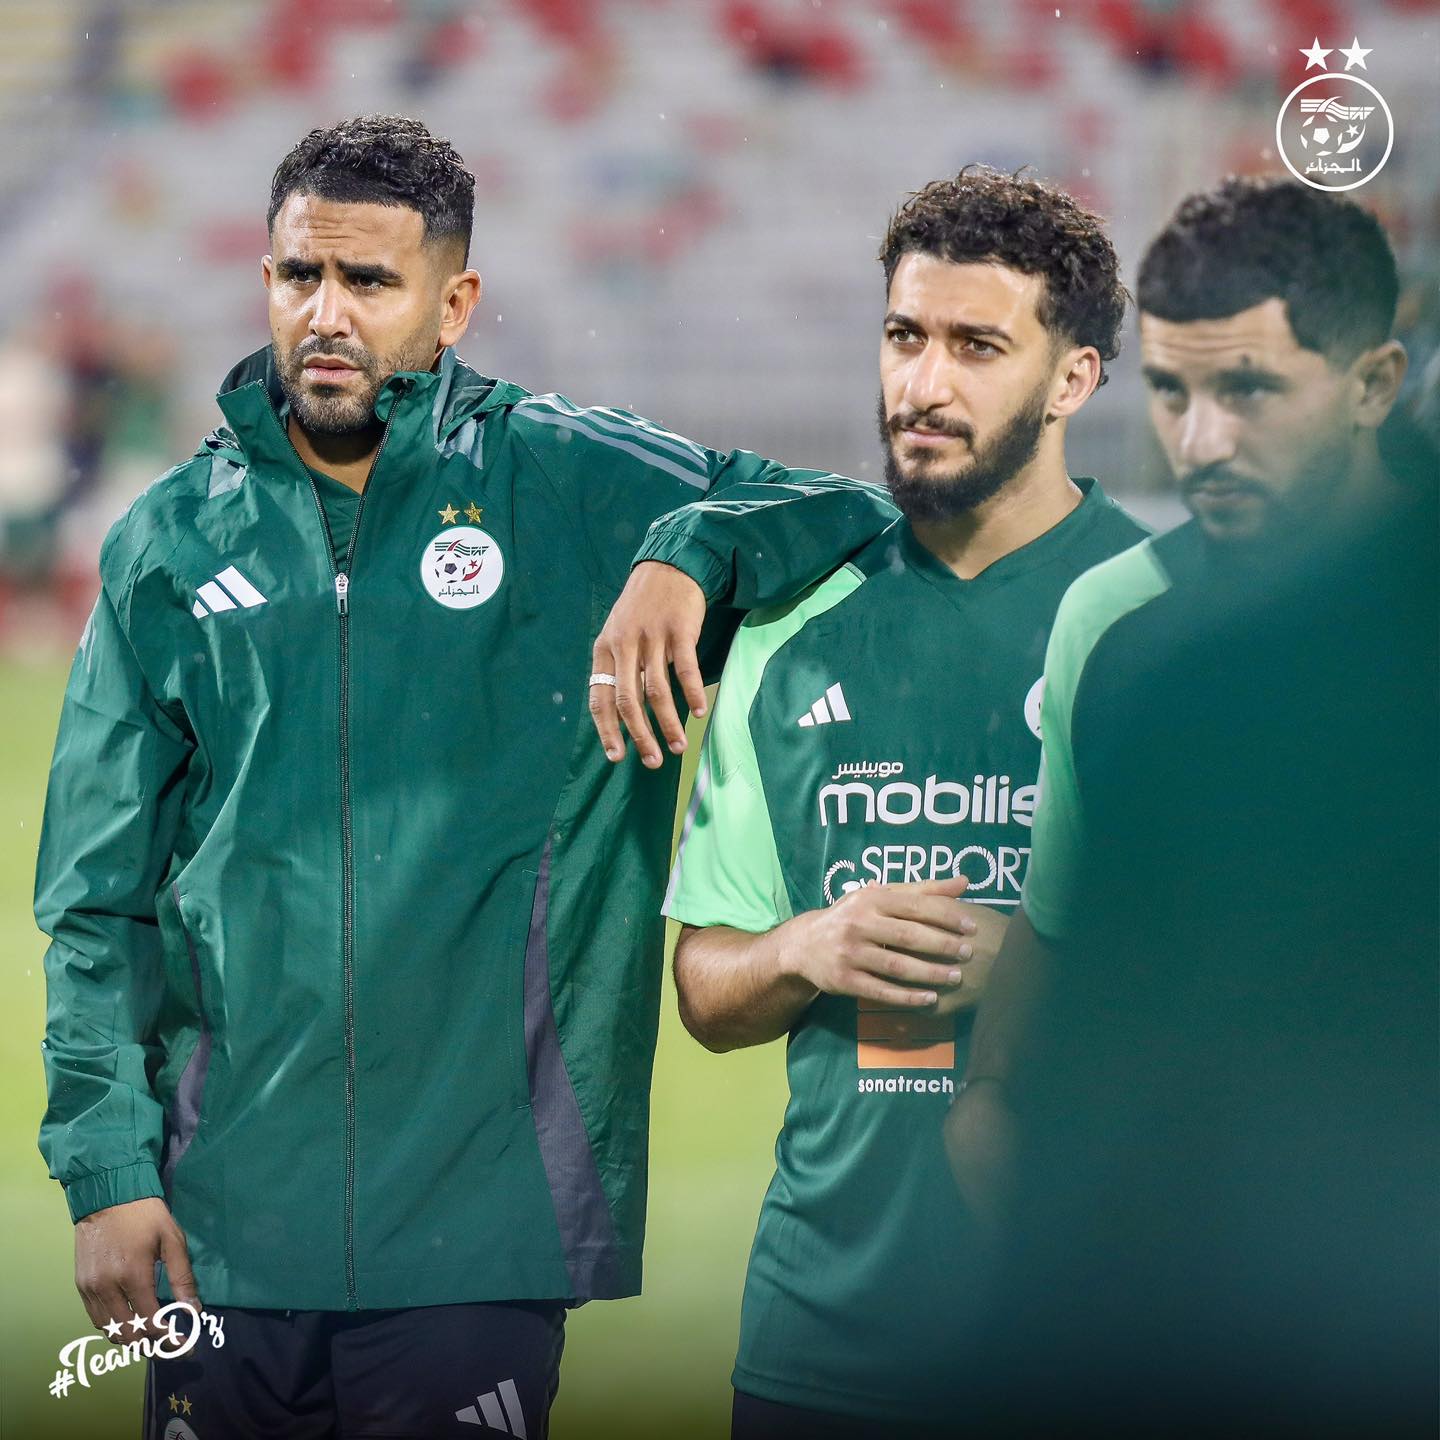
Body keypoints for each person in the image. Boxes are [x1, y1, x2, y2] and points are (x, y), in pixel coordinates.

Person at [34, 115, 897, 1439]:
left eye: (369, 281)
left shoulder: (567, 480)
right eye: (299, 274)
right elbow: (99, 904)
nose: (327, 313)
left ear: (453, 304)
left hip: (478, 1224)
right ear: (265, 279)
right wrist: (106, 1176)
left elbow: (856, 517)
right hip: (219, 1227)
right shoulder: (168, 541)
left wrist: (689, 552)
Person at [658, 168, 1146, 1437]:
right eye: (904, 336)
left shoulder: (1166, 617)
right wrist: (805, 947)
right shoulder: (790, 629)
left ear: (1074, 380)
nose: (922, 384)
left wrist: (1039, 964)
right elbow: (705, 987)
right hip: (822, 1338)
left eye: (976, 347)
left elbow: (1274, 983)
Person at [948, 176, 1438, 1431]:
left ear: (1376, 384)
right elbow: (1037, 1008)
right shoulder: (1119, 626)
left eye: (1251, 391)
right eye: (1171, 392)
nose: (1201, 442)